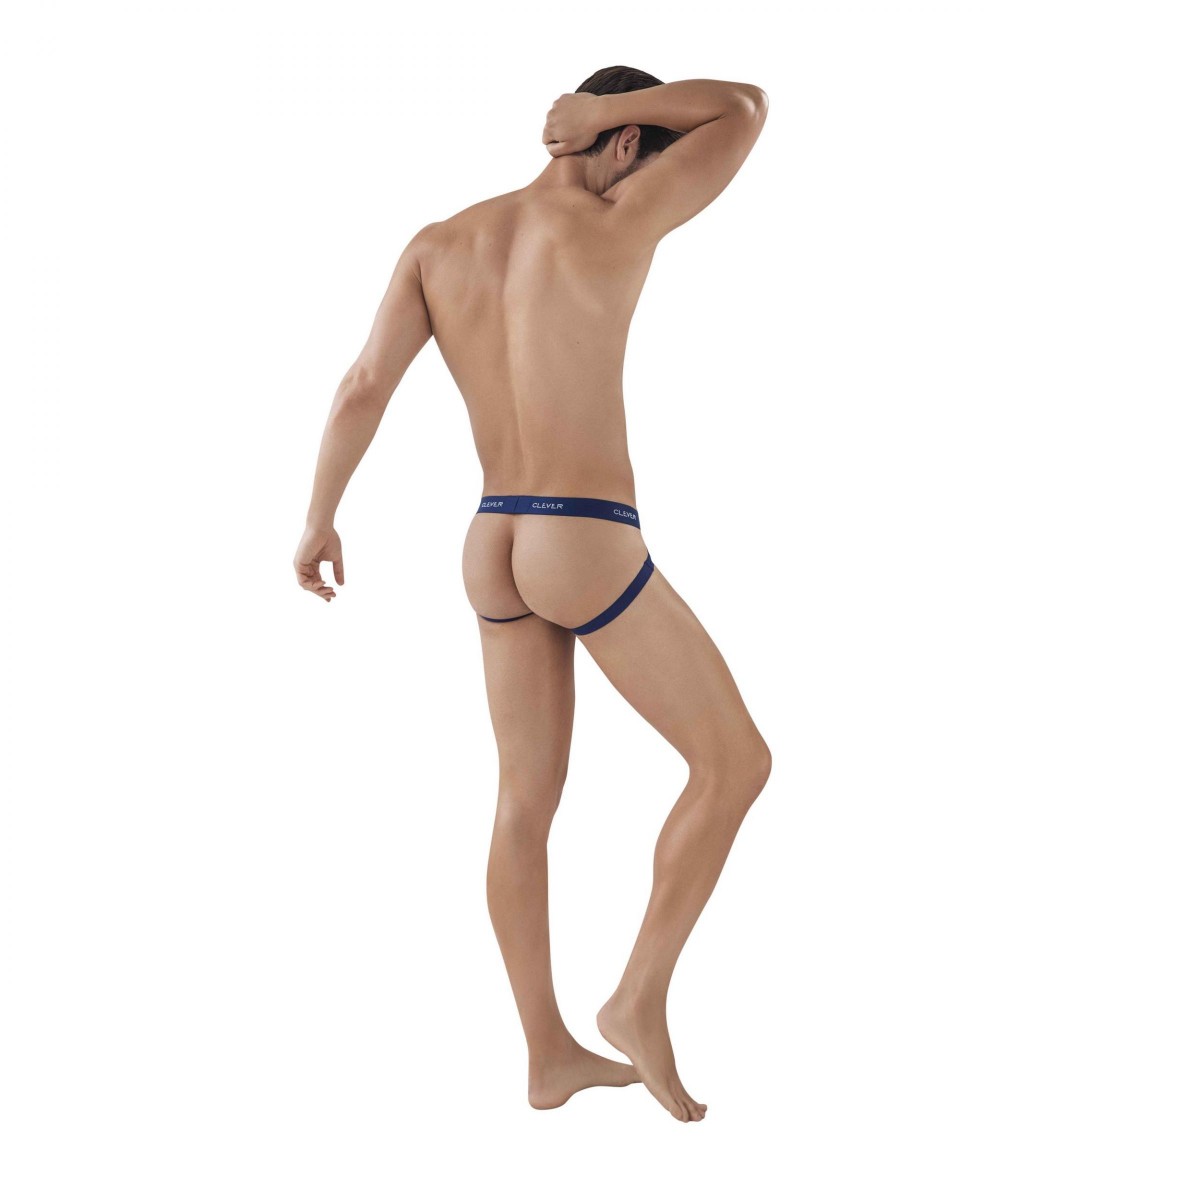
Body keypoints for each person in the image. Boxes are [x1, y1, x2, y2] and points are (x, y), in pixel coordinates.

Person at [293, 67, 771, 1122]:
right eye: (641, 155)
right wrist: (607, 115)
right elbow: (743, 108)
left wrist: (321, 516)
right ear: (626, 147)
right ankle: (637, 996)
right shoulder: (615, 217)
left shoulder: (441, 242)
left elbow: (363, 385)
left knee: (522, 803)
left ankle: (546, 1054)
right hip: (581, 533)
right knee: (735, 762)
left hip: (491, 537)